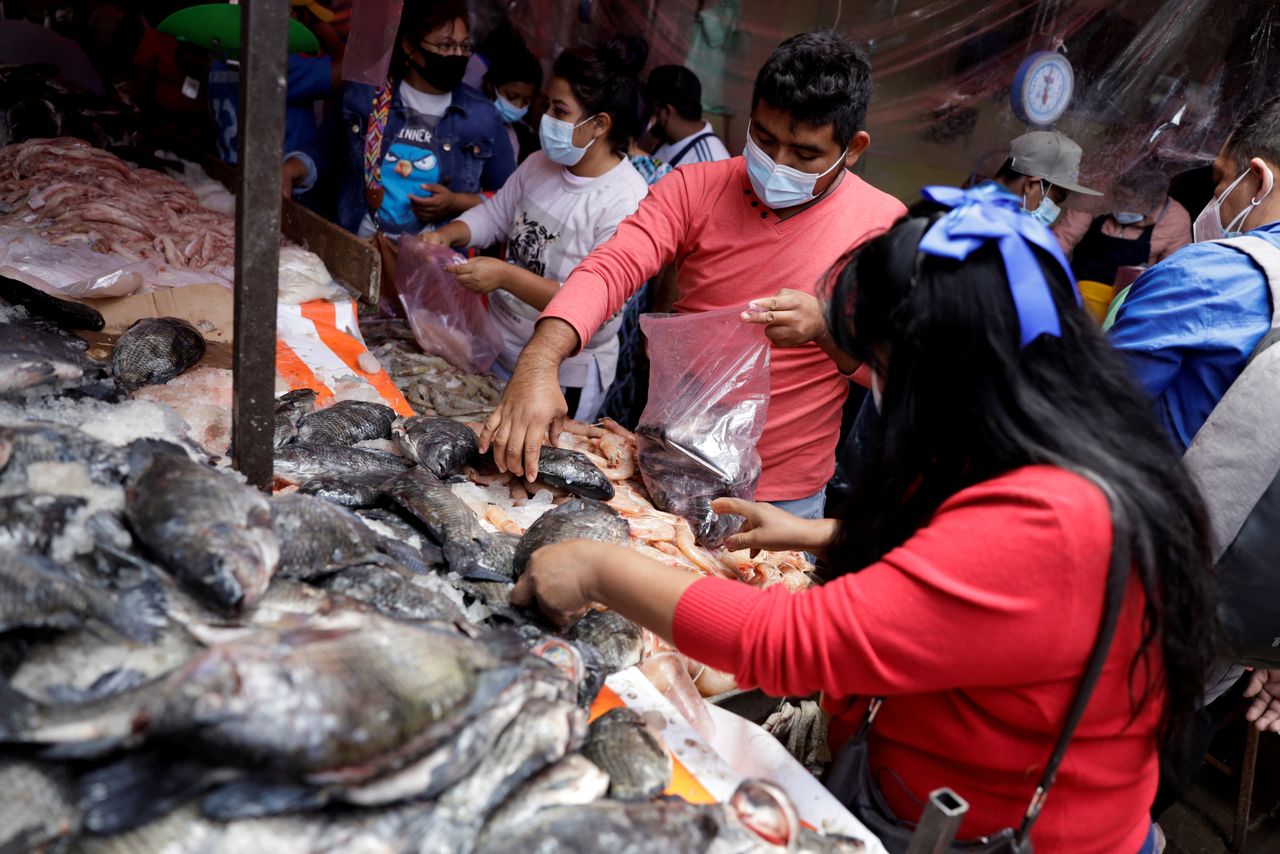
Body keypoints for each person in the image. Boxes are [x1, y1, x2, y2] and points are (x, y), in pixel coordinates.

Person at [512, 188, 1220, 854]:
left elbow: (788, 643)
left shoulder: (1056, 519)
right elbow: (986, 592)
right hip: (918, 776)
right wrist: (827, 534)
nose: (872, 385)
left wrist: (594, 565)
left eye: (878, 364)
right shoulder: (1053, 438)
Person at [481, 30, 906, 520]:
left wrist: (829, 332)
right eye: (764, 140)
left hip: (783, 496)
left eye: (805, 154)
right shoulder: (695, 186)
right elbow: (611, 266)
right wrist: (540, 359)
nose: (777, 165)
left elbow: (900, 376)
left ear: (852, 149)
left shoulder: (882, 228)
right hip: (669, 469)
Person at [420, 38, 651, 421]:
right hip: (496, 348)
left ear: (599, 124)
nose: (546, 118)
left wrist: (505, 276)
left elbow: (597, 307)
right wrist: (450, 234)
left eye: (559, 110)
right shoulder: (539, 163)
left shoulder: (626, 200)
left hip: (561, 377)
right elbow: (495, 216)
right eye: (547, 105)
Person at [282, 0, 515, 238]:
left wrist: (457, 202)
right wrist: (291, 169)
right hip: (359, 249)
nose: (457, 55)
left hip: (435, 262)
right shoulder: (364, 98)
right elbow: (322, 154)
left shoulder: (482, 116)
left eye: (464, 47)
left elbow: (509, 199)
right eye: (446, 45)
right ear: (409, 46)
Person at [1055, 164, 1192, 285]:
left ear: (1152, 201)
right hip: (1079, 287)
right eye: (1120, 199)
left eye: (1132, 204)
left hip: (1129, 301)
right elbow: (1064, 236)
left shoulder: (1175, 218)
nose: (1123, 208)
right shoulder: (1098, 192)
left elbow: (1170, 277)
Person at [977, 130, 1102, 225]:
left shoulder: (974, 202)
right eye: (1055, 200)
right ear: (1031, 186)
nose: (1054, 212)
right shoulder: (999, 226)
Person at [647, 64, 731, 167]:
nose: (646, 112)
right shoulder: (668, 140)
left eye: (650, 107)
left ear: (666, 112)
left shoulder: (709, 164)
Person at [481, 48, 542, 163]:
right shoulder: (471, 125)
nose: (518, 106)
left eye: (526, 100)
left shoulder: (525, 136)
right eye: (511, 96)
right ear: (491, 87)